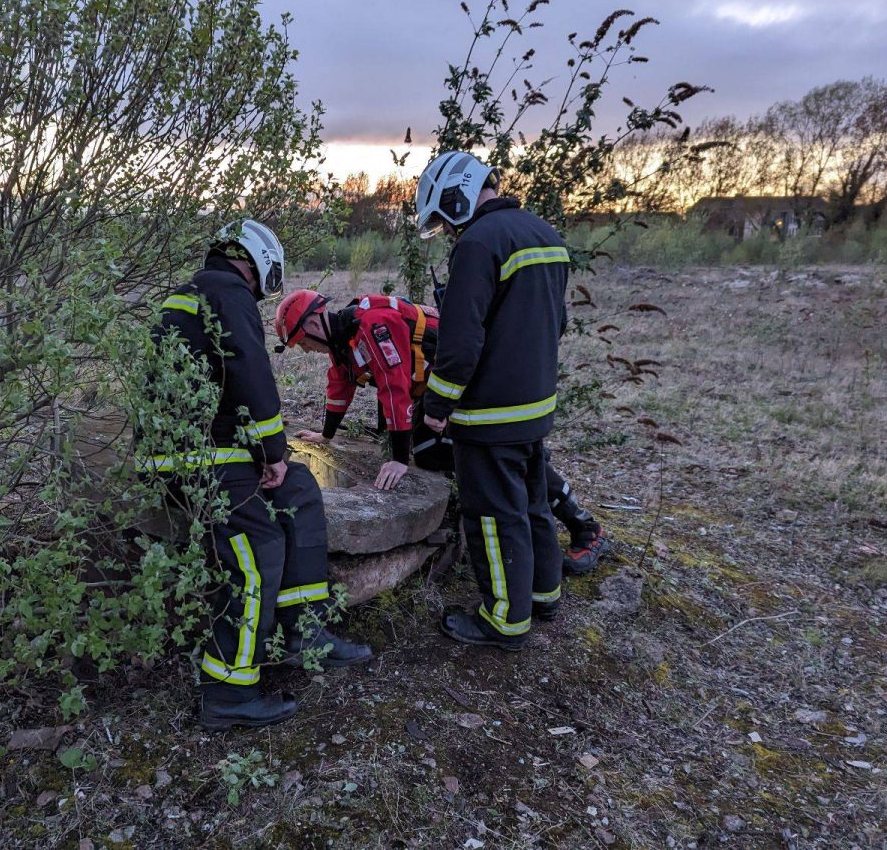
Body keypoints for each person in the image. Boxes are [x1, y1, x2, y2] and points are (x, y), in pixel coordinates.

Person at [145, 219, 371, 731]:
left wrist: (276, 462)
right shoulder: (228, 293)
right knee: (258, 545)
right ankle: (227, 690)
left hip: (205, 447)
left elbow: (219, 383)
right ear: (258, 263)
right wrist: (272, 450)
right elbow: (249, 371)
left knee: (299, 489)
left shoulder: (196, 293)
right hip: (196, 457)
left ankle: (303, 630)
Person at [273, 288, 609, 574]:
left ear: (313, 322)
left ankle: (584, 526)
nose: (304, 350)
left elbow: (394, 389)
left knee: (490, 452)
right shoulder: (343, 339)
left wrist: (399, 459)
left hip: (470, 383)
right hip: (440, 391)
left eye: (301, 341)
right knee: (433, 452)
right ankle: (508, 482)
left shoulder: (373, 326)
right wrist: (326, 436)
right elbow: (340, 385)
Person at [414, 150, 570, 647]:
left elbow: (461, 341)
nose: (447, 229)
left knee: (494, 516)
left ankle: (504, 619)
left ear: (455, 197)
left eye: (442, 218)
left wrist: (437, 407)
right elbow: (555, 323)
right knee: (532, 504)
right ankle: (544, 593)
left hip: (489, 414)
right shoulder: (544, 234)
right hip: (535, 404)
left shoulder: (479, 244)